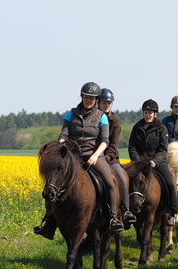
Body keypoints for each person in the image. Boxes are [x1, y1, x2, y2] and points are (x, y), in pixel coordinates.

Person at [34, 82, 124, 239]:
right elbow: (64, 135)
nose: (89, 100)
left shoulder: (102, 116)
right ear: (82, 97)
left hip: (94, 156)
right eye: (86, 97)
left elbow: (105, 141)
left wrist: (95, 156)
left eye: (92, 98)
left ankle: (112, 217)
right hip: (72, 157)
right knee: (52, 184)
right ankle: (49, 222)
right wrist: (61, 148)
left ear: (96, 100)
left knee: (109, 182)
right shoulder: (71, 114)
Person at [128, 99, 178, 227]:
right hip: (139, 163)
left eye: (150, 113)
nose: (148, 115)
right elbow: (132, 146)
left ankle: (171, 212)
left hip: (156, 162)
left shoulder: (162, 128)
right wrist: (137, 162)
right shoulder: (137, 127)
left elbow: (163, 148)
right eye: (146, 112)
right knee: (125, 180)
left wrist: (154, 162)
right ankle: (126, 212)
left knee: (169, 183)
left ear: (155, 114)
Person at [98, 88, 136, 228]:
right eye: (104, 102)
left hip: (110, 159)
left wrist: (105, 157)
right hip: (93, 157)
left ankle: (126, 211)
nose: (107, 105)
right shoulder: (94, 119)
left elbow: (113, 146)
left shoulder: (115, 123)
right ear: (98, 103)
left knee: (122, 180)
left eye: (109, 103)